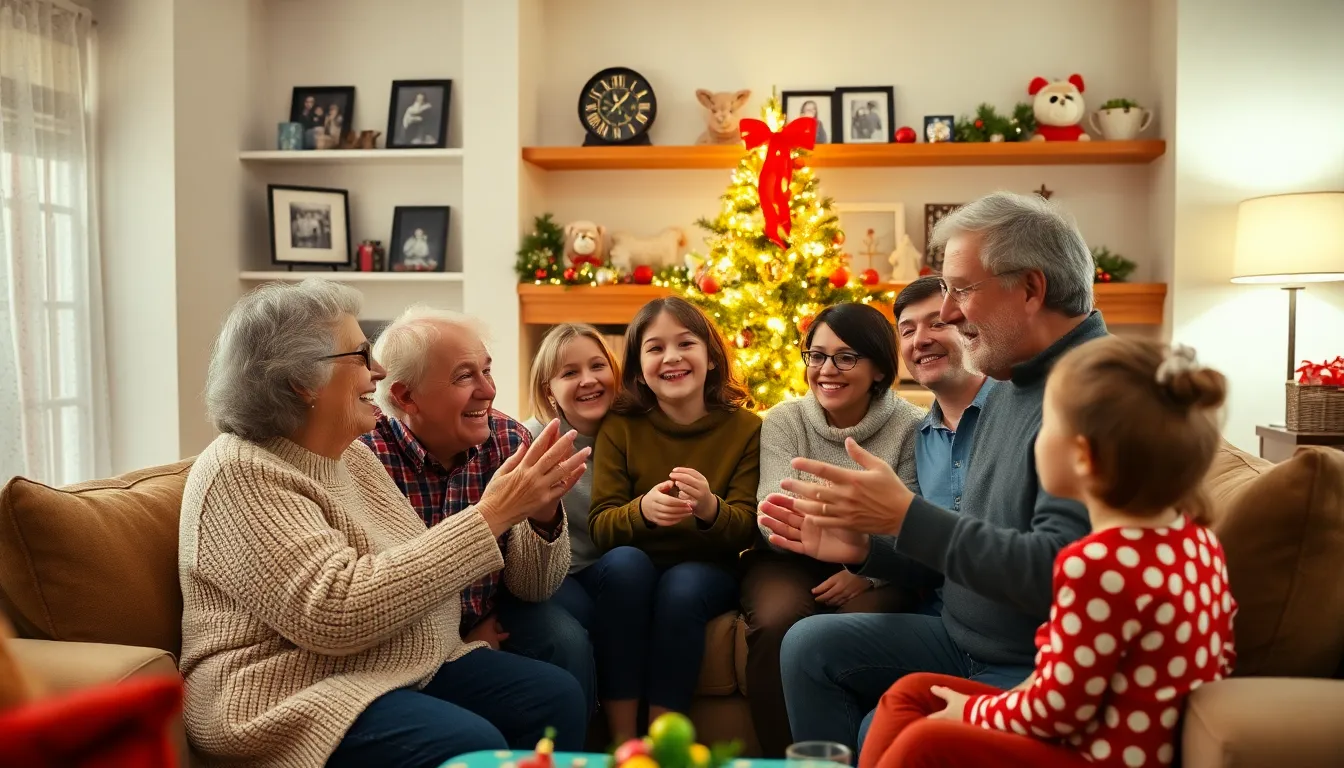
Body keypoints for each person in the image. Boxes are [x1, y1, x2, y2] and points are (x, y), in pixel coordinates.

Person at [178, 279, 589, 768]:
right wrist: (492, 514)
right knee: (469, 741)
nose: (375, 370)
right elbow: (336, 613)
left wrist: (528, 516)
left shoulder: (349, 458)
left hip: (387, 663)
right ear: (300, 382)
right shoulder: (241, 471)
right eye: (360, 356)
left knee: (554, 696)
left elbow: (408, 578)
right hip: (284, 691)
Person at [762, 190, 1104, 751]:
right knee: (807, 645)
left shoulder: (1090, 394)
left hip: (1029, 658)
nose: (947, 314)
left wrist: (904, 518)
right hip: (960, 633)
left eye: (962, 290)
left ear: (1031, 288)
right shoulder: (1012, 383)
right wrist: (865, 548)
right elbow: (975, 538)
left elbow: (1059, 574)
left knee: (886, 731)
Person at [861, 338, 1238, 768]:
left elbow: (1058, 711)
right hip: (1084, 723)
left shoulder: (1095, 563)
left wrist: (971, 712)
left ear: (1083, 456)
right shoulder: (1197, 540)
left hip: (1096, 754)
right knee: (912, 695)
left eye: (1047, 426)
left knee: (926, 740)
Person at [360, 306, 597, 713]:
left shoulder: (508, 440)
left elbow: (533, 588)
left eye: (487, 371)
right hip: (404, 634)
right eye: (465, 376)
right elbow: (376, 599)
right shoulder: (365, 457)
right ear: (405, 396)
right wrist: (457, 646)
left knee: (564, 636)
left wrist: (542, 514)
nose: (488, 391)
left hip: (492, 610)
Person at [741, 302, 926, 756]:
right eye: (817, 356)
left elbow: (909, 524)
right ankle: (784, 760)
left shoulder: (911, 427)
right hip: (788, 558)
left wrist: (868, 568)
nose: (827, 370)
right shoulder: (786, 419)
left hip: (877, 566)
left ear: (879, 368)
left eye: (846, 357)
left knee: (848, 632)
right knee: (775, 621)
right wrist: (861, 513)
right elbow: (774, 514)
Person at [588, 296, 762, 721]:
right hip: (635, 565)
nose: (672, 358)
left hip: (708, 570)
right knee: (626, 566)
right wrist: (642, 510)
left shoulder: (747, 429)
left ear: (712, 357)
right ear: (638, 370)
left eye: (686, 343)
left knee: (683, 586)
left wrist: (709, 508)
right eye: (655, 348)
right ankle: (626, 744)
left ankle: (666, 742)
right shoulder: (619, 426)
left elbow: (746, 529)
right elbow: (601, 526)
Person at [524, 323, 656, 741]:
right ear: (549, 391)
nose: (588, 380)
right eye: (569, 373)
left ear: (614, 374)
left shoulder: (640, 432)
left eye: (597, 366)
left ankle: (624, 738)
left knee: (630, 564)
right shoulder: (531, 438)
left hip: (615, 570)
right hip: (557, 571)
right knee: (577, 626)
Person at [893, 276, 995, 514]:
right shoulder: (915, 439)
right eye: (907, 331)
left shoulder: (1020, 412)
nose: (920, 340)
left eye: (938, 324)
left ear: (972, 330)